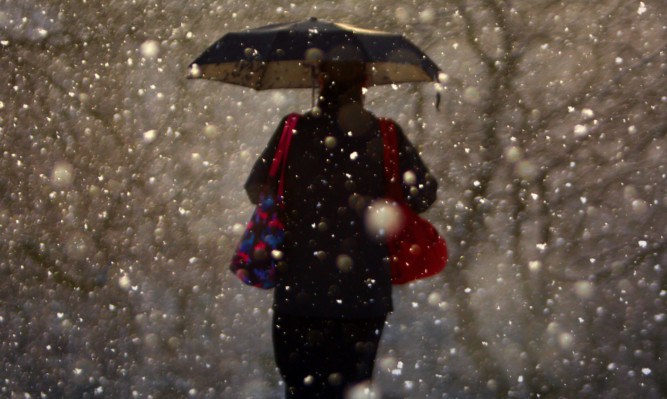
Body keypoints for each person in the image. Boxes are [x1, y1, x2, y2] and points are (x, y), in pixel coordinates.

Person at [244, 60, 438, 398]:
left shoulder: (293, 130)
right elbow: (423, 195)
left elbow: (256, 189)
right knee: (350, 389)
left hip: (300, 291)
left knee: (301, 389)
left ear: (319, 79)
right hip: (362, 296)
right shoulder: (385, 134)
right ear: (365, 81)